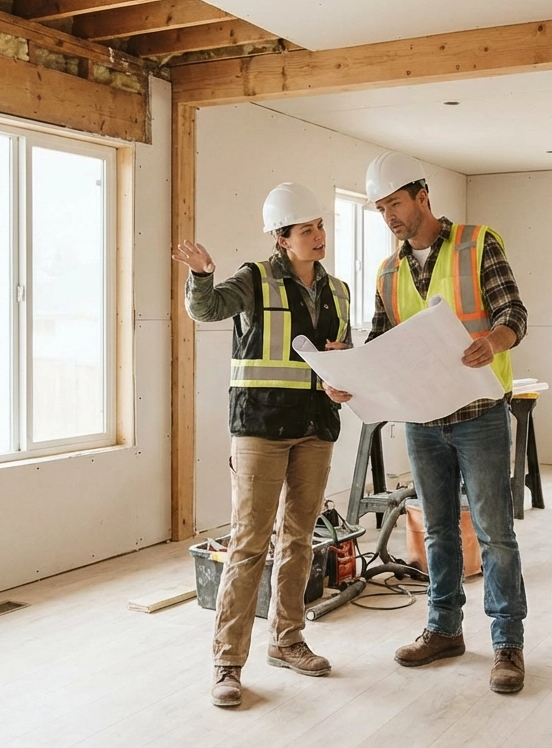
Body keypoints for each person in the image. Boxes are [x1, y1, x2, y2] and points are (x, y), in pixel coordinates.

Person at [329, 150, 530, 694]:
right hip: (422, 419)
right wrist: (348, 375)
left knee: (495, 534)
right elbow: (381, 344)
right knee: (438, 531)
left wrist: (494, 341)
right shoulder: (388, 271)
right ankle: (444, 630)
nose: (388, 216)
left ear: (422, 196)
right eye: (379, 208)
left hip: (479, 414)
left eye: (395, 203)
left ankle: (507, 644)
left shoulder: (477, 243)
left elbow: (514, 313)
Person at [173, 182, 353, 708]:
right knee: (250, 543)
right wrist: (202, 275)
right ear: (282, 238)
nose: (318, 236)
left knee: (299, 539)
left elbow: (341, 356)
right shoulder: (255, 279)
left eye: (320, 226)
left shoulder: (339, 290)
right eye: (306, 230)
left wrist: (343, 370)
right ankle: (227, 664)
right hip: (260, 426)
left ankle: (288, 641)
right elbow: (207, 309)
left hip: (316, 426)